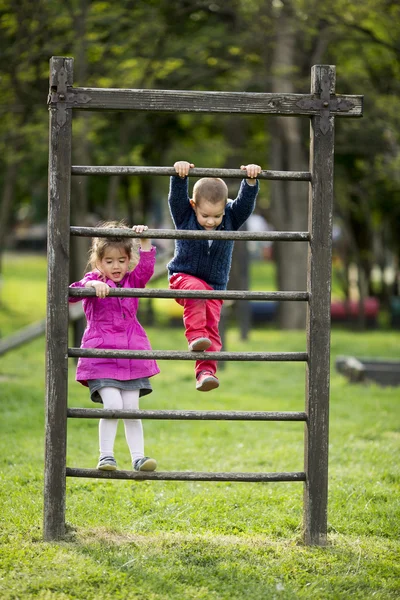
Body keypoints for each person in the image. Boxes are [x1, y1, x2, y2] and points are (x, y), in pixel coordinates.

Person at [69, 221, 160, 472]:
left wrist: (144, 240)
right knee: (112, 406)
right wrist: (92, 286)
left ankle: (139, 457)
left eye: (121, 260)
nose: (116, 266)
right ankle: (105, 456)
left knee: (131, 408)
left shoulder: (133, 281)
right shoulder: (92, 280)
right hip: (101, 357)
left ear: (128, 260)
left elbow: (147, 268)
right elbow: (71, 293)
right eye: (109, 261)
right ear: (99, 262)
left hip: (132, 356)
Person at [167, 161, 262, 392]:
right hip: (183, 278)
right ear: (193, 206)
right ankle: (195, 337)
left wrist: (250, 181)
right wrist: (179, 177)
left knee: (213, 329)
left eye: (217, 216)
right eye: (205, 215)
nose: (211, 221)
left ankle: (205, 372)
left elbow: (244, 206)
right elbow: (175, 199)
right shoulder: (185, 216)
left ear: (225, 209)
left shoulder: (229, 219)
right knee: (197, 296)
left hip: (215, 286)